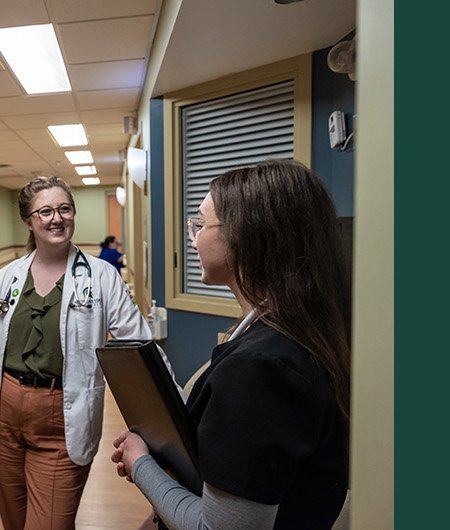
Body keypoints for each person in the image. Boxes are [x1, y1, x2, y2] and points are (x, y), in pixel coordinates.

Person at [110, 159, 351, 529]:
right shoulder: (298, 329)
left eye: (201, 224)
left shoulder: (262, 368)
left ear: (247, 235)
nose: (193, 239)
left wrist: (140, 462)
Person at [0, 175, 154, 529]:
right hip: (3, 409)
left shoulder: (101, 276)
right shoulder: (8, 277)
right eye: (45, 211)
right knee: (14, 520)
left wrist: (158, 419)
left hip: (62, 417)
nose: (56, 218)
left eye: (64, 209)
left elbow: (139, 348)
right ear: (29, 221)